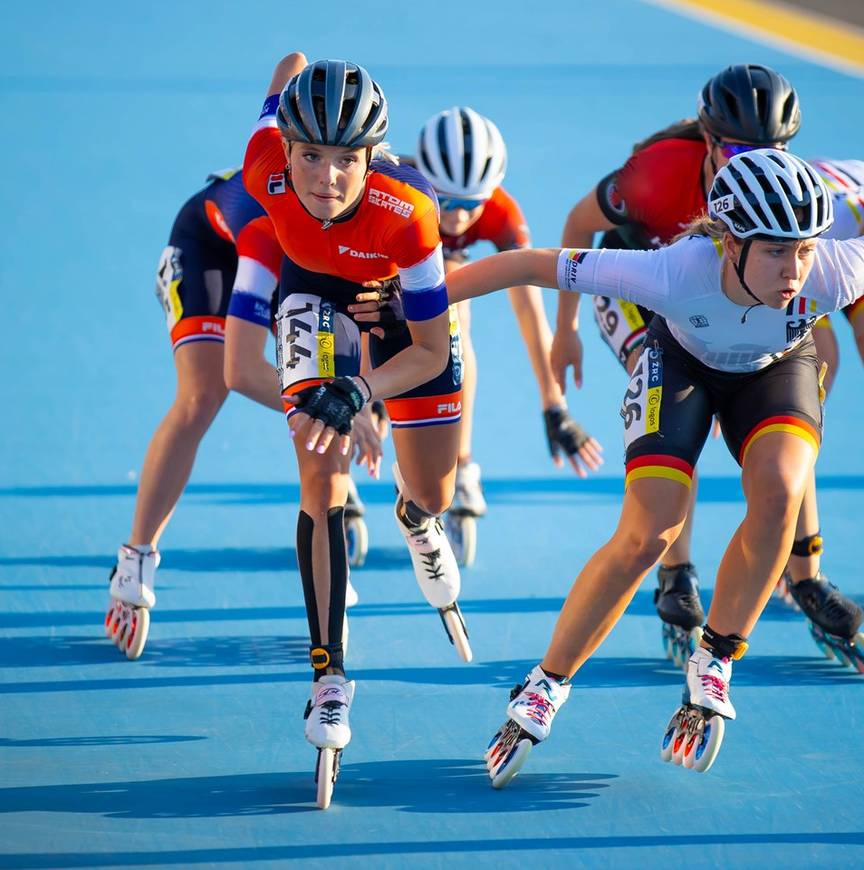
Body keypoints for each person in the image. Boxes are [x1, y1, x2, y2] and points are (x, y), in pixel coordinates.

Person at [444, 149, 864, 785]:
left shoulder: (834, 270)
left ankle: (716, 657)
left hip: (775, 371)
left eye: (804, 249)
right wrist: (408, 300)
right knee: (650, 533)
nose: (794, 269)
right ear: (729, 244)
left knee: (781, 488)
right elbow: (527, 265)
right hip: (684, 366)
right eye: (776, 251)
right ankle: (544, 683)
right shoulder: (671, 272)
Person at [555, 63, 858, 668]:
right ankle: (676, 568)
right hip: (645, 289)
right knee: (676, 399)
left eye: (774, 150)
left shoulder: (791, 190)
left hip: (746, 295)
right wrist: (564, 330)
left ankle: (804, 569)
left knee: (812, 372)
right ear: (709, 139)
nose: (758, 161)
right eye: (742, 149)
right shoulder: (657, 175)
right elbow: (578, 226)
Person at [243, 54, 473, 807]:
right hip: (311, 293)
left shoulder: (409, 211)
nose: (326, 177)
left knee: (433, 487)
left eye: (347, 160)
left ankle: (414, 515)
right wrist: (340, 401)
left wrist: (366, 389)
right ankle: (329, 674)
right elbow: (286, 70)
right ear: (285, 147)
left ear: (373, 158)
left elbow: (432, 350)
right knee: (321, 465)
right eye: (311, 154)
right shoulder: (262, 166)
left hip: (400, 310)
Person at [104, 165, 387, 661]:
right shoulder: (268, 233)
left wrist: (361, 397)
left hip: (305, 263)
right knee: (204, 393)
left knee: (340, 381)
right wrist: (333, 402)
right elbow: (242, 371)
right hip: (211, 251)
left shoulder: (378, 227)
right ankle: (135, 558)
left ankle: (331, 501)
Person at [351, 107, 602, 566]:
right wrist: (368, 393)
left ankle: (462, 464)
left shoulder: (502, 213)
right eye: (446, 203)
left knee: (454, 313)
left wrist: (554, 405)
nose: (460, 218)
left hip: (426, 285)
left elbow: (529, 307)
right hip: (376, 270)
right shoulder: (395, 190)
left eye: (473, 205)